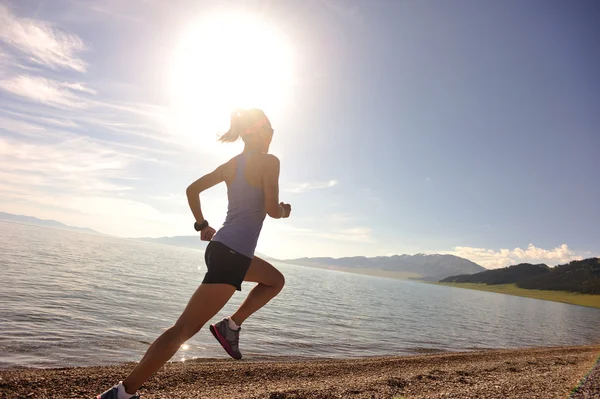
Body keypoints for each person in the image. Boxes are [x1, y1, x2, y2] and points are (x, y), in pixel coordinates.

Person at [97, 109, 291, 399]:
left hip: (221, 248)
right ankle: (122, 393)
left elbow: (192, 189)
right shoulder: (269, 162)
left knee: (274, 280)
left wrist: (202, 224)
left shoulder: (231, 164)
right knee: (183, 329)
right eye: (270, 129)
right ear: (258, 131)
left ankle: (231, 325)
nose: (272, 135)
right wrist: (285, 211)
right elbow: (272, 210)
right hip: (233, 254)